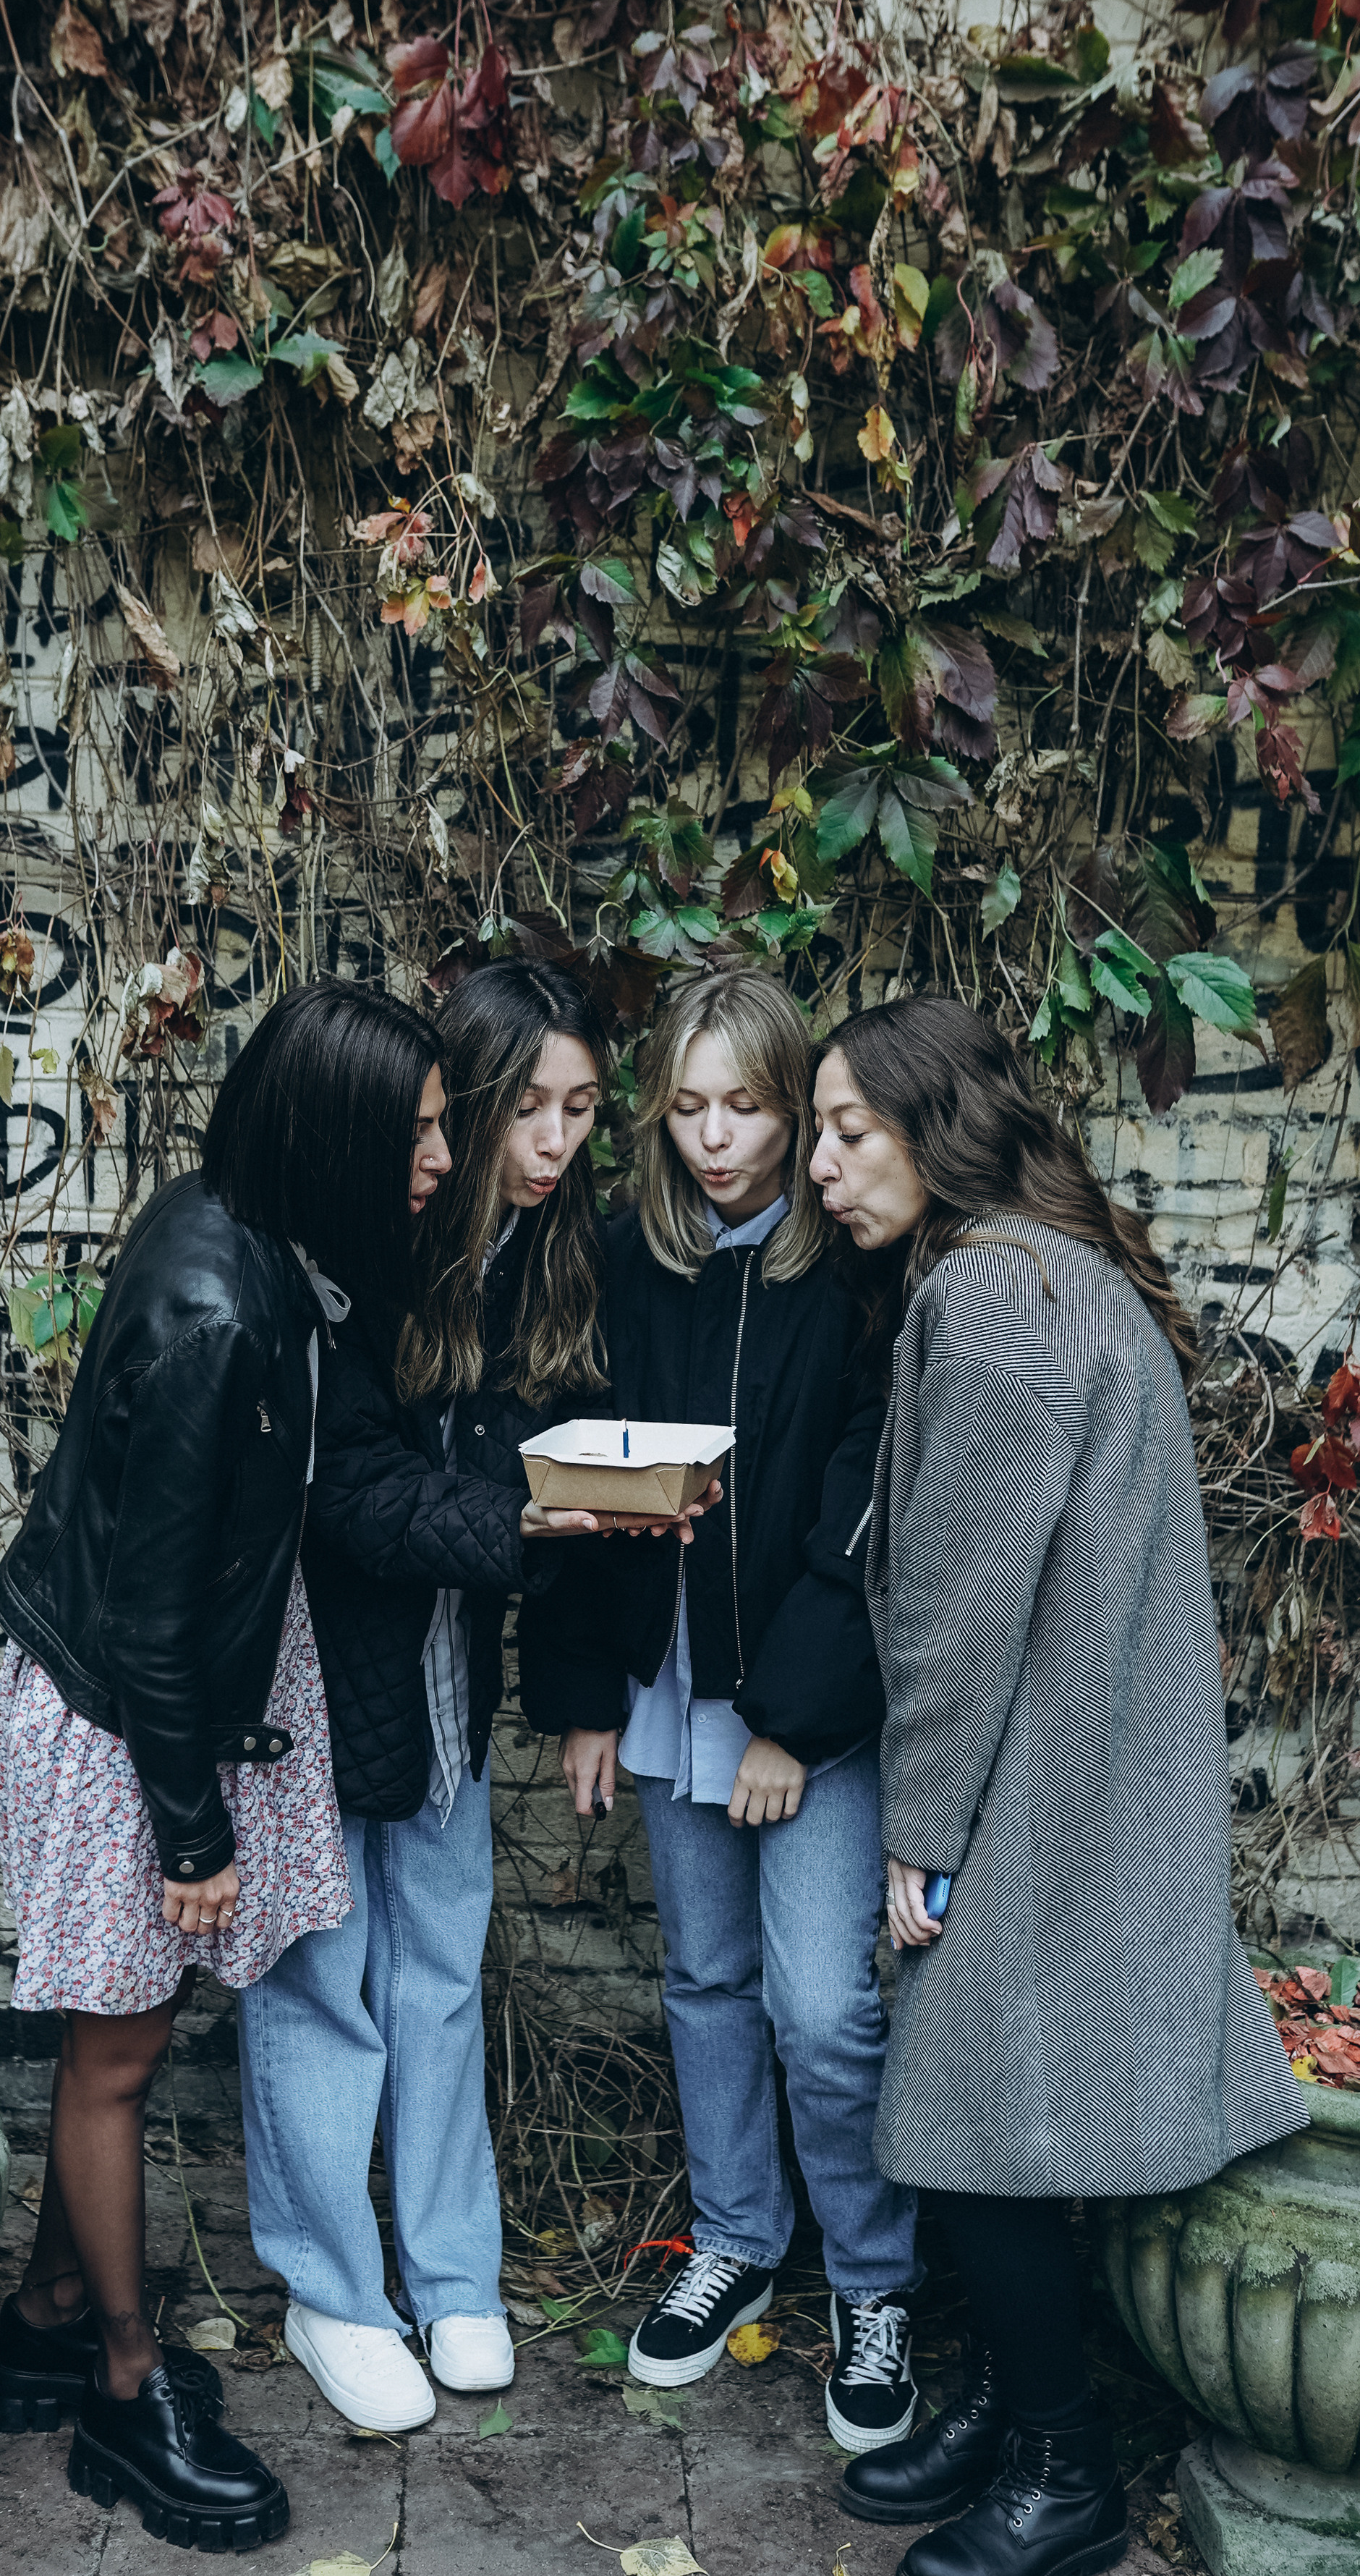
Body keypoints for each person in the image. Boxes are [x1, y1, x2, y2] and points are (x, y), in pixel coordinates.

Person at [813, 995, 1308, 2576]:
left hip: (1037, 1775)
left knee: (971, 2116)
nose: (825, 1163)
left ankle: (1061, 2469)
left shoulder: (991, 1298)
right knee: (999, 2113)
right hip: (1080, 1757)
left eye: (849, 1128)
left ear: (936, 1127)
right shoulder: (1038, 1274)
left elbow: (961, 1607)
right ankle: (1017, 2403)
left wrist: (921, 1830)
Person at [0, 978, 451, 2554]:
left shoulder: (249, 1240)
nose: (441, 1157)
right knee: (114, 2059)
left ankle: (51, 2308)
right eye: (424, 1131)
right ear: (344, 1133)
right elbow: (152, 1611)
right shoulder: (218, 1309)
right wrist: (191, 1837)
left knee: (125, 2037)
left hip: (156, 1704)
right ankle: (121, 2392)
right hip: (133, 1723)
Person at [527, 967, 923, 2456]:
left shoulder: (857, 1281)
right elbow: (585, 1471)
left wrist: (792, 1722)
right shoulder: (639, 1263)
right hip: (668, 1690)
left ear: (793, 1100)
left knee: (821, 2009)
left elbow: (860, 1522)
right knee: (702, 1981)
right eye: (686, 1109)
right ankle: (738, 2236)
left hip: (803, 1714)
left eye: (745, 1107)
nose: (715, 1139)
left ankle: (874, 2281)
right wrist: (583, 1696)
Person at [237, 957, 629, 2433]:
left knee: (441, 1977)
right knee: (322, 1981)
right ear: (458, 1102)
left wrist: (599, 1489)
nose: (553, 1141)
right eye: (526, 1105)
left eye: (583, 1107)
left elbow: (554, 1446)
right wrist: (525, 1518)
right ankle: (334, 2292)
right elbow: (347, 1484)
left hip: (447, 1666)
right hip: (319, 1666)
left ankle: (455, 2274)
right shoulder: (367, 1243)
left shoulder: (558, 1253)